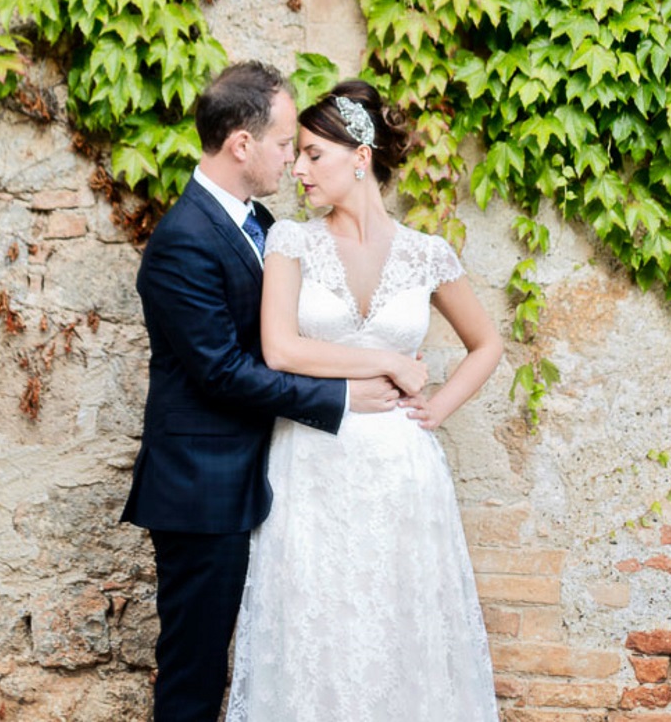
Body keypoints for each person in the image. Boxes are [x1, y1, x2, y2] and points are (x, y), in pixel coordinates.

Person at [122, 63, 410, 722]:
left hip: (273, 479)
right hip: (203, 492)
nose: (293, 158)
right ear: (241, 145)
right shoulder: (181, 241)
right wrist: (340, 400)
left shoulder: (262, 222)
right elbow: (221, 370)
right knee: (196, 674)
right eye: (285, 144)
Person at [226, 78, 504, 722]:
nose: (298, 169)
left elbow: (486, 344)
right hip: (312, 466)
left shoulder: (427, 254)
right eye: (294, 154)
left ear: (361, 156)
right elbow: (282, 350)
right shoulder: (291, 243)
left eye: (313, 155)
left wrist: (437, 408)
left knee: (400, 627)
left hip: (400, 473)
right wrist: (384, 361)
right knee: (315, 629)